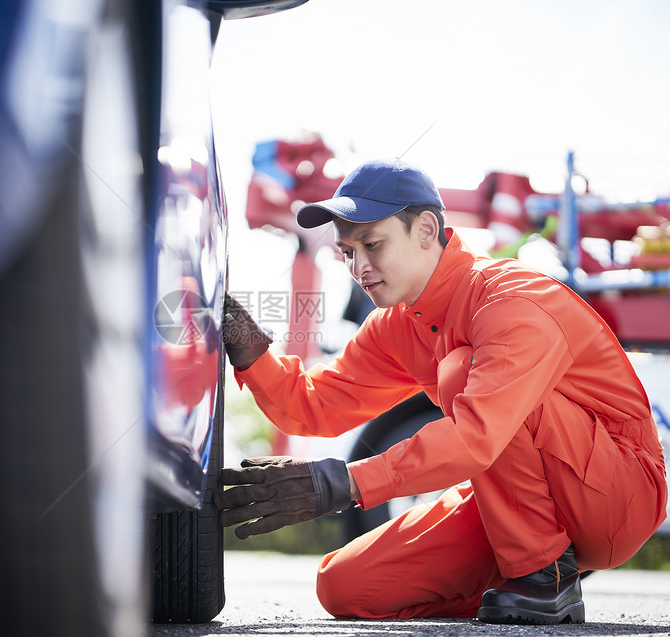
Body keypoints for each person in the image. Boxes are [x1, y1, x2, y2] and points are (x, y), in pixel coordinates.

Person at [217, 158, 668, 625]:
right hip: (533, 505)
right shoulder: (396, 325)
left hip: (617, 499)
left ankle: (542, 579)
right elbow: (314, 407)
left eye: (372, 245)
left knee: (460, 372)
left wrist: (344, 484)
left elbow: (477, 436)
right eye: (348, 252)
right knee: (347, 586)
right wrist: (249, 350)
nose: (359, 267)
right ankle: (520, 579)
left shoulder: (510, 301)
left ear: (426, 230)